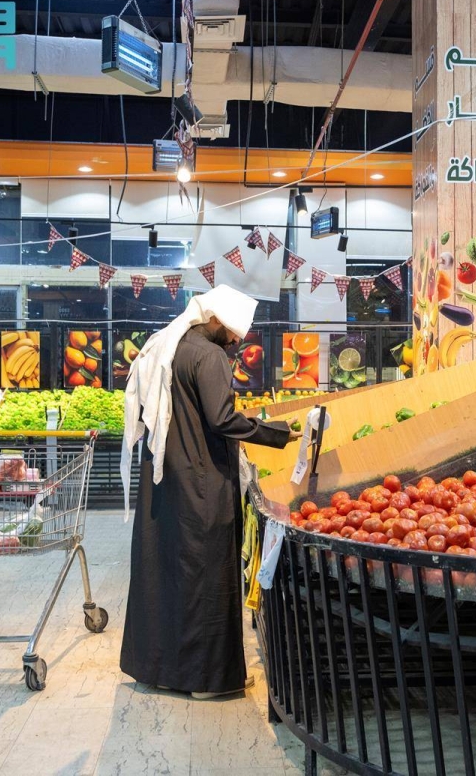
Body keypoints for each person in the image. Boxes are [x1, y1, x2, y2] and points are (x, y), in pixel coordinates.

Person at [119, 285, 292, 699]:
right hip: (202, 481)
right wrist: (276, 433)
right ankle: (206, 680)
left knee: (163, 571)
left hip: (164, 478)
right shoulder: (209, 355)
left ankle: (158, 670)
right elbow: (221, 418)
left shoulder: (166, 345)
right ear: (215, 320)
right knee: (207, 573)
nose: (235, 341)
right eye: (233, 332)